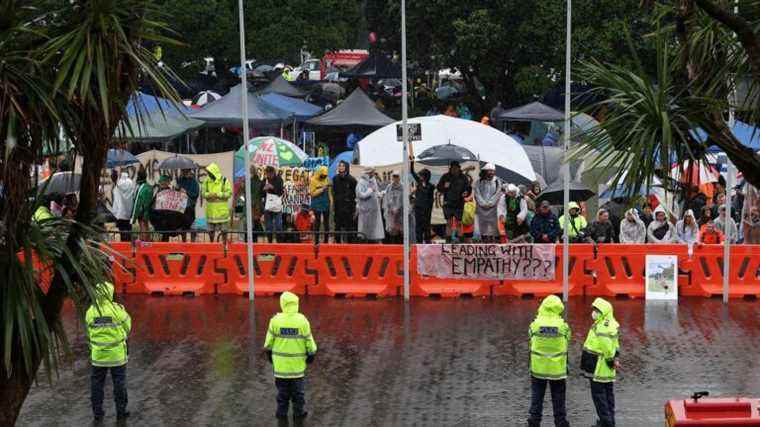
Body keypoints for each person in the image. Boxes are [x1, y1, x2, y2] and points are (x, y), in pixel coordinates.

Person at [263, 292, 317, 421]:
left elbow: (268, 342)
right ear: (296, 304)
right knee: (298, 394)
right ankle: (298, 413)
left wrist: (269, 353)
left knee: (282, 394)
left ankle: (281, 414)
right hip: (297, 369)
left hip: (281, 369)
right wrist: (311, 353)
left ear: (282, 304)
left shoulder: (275, 320)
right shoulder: (302, 321)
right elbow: (309, 341)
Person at [86, 282, 131, 422]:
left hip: (98, 356)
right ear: (110, 293)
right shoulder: (117, 310)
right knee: (119, 383)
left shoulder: (91, 311)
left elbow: (88, 331)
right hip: (117, 356)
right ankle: (121, 412)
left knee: (97, 384)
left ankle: (98, 413)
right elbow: (128, 326)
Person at [528, 295, 570, 427]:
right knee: (558, 398)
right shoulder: (563, 325)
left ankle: (534, 422)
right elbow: (568, 338)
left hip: (538, 369)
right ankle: (560, 422)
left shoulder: (535, 324)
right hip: (557, 370)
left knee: (537, 397)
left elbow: (530, 336)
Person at [581, 298, 620, 427]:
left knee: (599, 397)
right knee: (608, 396)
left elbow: (607, 347)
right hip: (604, 367)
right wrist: (615, 359)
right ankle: (609, 421)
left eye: (596, 310)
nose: (593, 312)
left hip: (599, 367)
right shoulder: (609, 323)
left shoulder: (603, 326)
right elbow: (615, 345)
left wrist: (610, 361)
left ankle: (606, 423)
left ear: (602, 311)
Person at [436, 161, 470, 242]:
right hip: (448, 203)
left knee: (459, 222)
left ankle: (460, 239)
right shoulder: (445, 176)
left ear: (459, 168)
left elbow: (468, 188)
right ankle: (448, 240)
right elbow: (439, 187)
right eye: (453, 168)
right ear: (450, 168)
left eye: (456, 168)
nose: (455, 170)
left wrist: (466, 192)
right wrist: (444, 187)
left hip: (459, 203)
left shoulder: (463, 177)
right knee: (449, 222)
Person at [202, 163, 232, 242]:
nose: (209, 174)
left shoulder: (224, 180)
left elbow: (229, 193)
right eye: (208, 172)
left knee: (224, 232)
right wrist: (209, 195)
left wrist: (218, 194)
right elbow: (203, 193)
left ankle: (224, 247)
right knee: (210, 232)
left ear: (214, 172)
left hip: (222, 213)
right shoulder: (206, 181)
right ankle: (212, 246)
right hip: (211, 212)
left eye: (210, 172)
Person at [473, 164, 502, 242]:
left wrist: (490, 203)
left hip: (493, 208)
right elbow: (477, 193)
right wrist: (483, 203)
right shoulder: (478, 182)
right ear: (485, 171)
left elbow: (497, 193)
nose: (491, 172)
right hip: (481, 208)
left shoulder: (497, 181)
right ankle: (485, 242)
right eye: (490, 171)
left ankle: (494, 242)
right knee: (482, 226)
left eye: (493, 171)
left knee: (493, 227)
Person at [356, 168, 384, 243]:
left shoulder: (373, 180)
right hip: (366, 211)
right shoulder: (361, 182)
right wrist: (370, 190)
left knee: (374, 231)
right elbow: (361, 195)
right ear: (368, 172)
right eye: (372, 172)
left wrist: (380, 194)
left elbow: (375, 191)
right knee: (365, 232)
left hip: (374, 210)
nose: (374, 174)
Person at [332, 160, 357, 243]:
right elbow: (334, 192)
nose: (341, 167)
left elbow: (355, 194)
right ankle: (338, 244)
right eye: (339, 165)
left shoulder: (352, 179)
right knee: (337, 227)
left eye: (343, 166)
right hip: (338, 207)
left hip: (348, 208)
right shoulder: (335, 179)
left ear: (346, 167)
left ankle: (350, 245)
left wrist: (352, 206)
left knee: (349, 228)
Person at [411, 163, 434, 243]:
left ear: (426, 177)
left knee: (426, 227)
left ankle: (428, 242)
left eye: (422, 176)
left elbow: (428, 196)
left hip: (426, 210)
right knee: (418, 227)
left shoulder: (431, 186)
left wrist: (423, 186)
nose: (420, 177)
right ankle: (419, 242)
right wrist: (412, 162)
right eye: (420, 176)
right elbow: (412, 172)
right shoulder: (419, 182)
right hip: (418, 208)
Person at [261, 166, 284, 243]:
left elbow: (280, 192)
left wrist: (272, 187)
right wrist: (264, 190)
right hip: (268, 206)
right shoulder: (264, 180)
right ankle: (270, 243)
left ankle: (279, 244)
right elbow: (261, 194)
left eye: (269, 174)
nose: (268, 176)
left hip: (277, 206)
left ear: (273, 173)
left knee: (278, 226)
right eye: (267, 174)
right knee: (268, 227)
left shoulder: (279, 179)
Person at [111, 170, 136, 242]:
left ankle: (123, 247)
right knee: (128, 232)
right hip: (129, 214)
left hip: (120, 214)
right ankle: (128, 246)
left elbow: (116, 197)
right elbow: (133, 196)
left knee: (121, 233)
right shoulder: (131, 183)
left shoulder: (119, 183)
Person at [309, 166, 331, 243]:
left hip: (326, 203)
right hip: (317, 204)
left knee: (326, 224)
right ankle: (316, 241)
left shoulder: (327, 179)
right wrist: (322, 189)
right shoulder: (313, 180)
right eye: (322, 175)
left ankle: (326, 241)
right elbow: (312, 193)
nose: (324, 177)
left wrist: (331, 202)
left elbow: (329, 192)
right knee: (317, 223)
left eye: (325, 175)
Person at [131, 166, 153, 241]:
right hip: (147, 210)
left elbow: (139, 201)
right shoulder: (149, 187)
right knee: (146, 226)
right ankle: (147, 241)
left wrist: (136, 213)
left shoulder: (141, 188)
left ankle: (144, 241)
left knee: (142, 225)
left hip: (142, 210)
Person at [177, 169, 199, 242]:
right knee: (183, 227)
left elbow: (195, 194)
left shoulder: (194, 182)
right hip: (181, 207)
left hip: (190, 207)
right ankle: (184, 244)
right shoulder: (180, 180)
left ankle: (192, 244)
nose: (182, 172)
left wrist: (186, 192)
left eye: (184, 171)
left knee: (192, 226)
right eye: (182, 171)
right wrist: (177, 188)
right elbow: (177, 192)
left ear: (189, 171)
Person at [382, 171, 404, 244]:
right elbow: (387, 198)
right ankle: (392, 246)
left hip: (400, 212)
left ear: (399, 178)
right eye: (394, 177)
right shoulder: (389, 187)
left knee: (400, 230)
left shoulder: (402, 187)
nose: (395, 179)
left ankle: (400, 246)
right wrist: (390, 208)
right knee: (391, 229)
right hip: (391, 212)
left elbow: (403, 199)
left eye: (396, 177)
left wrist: (398, 208)